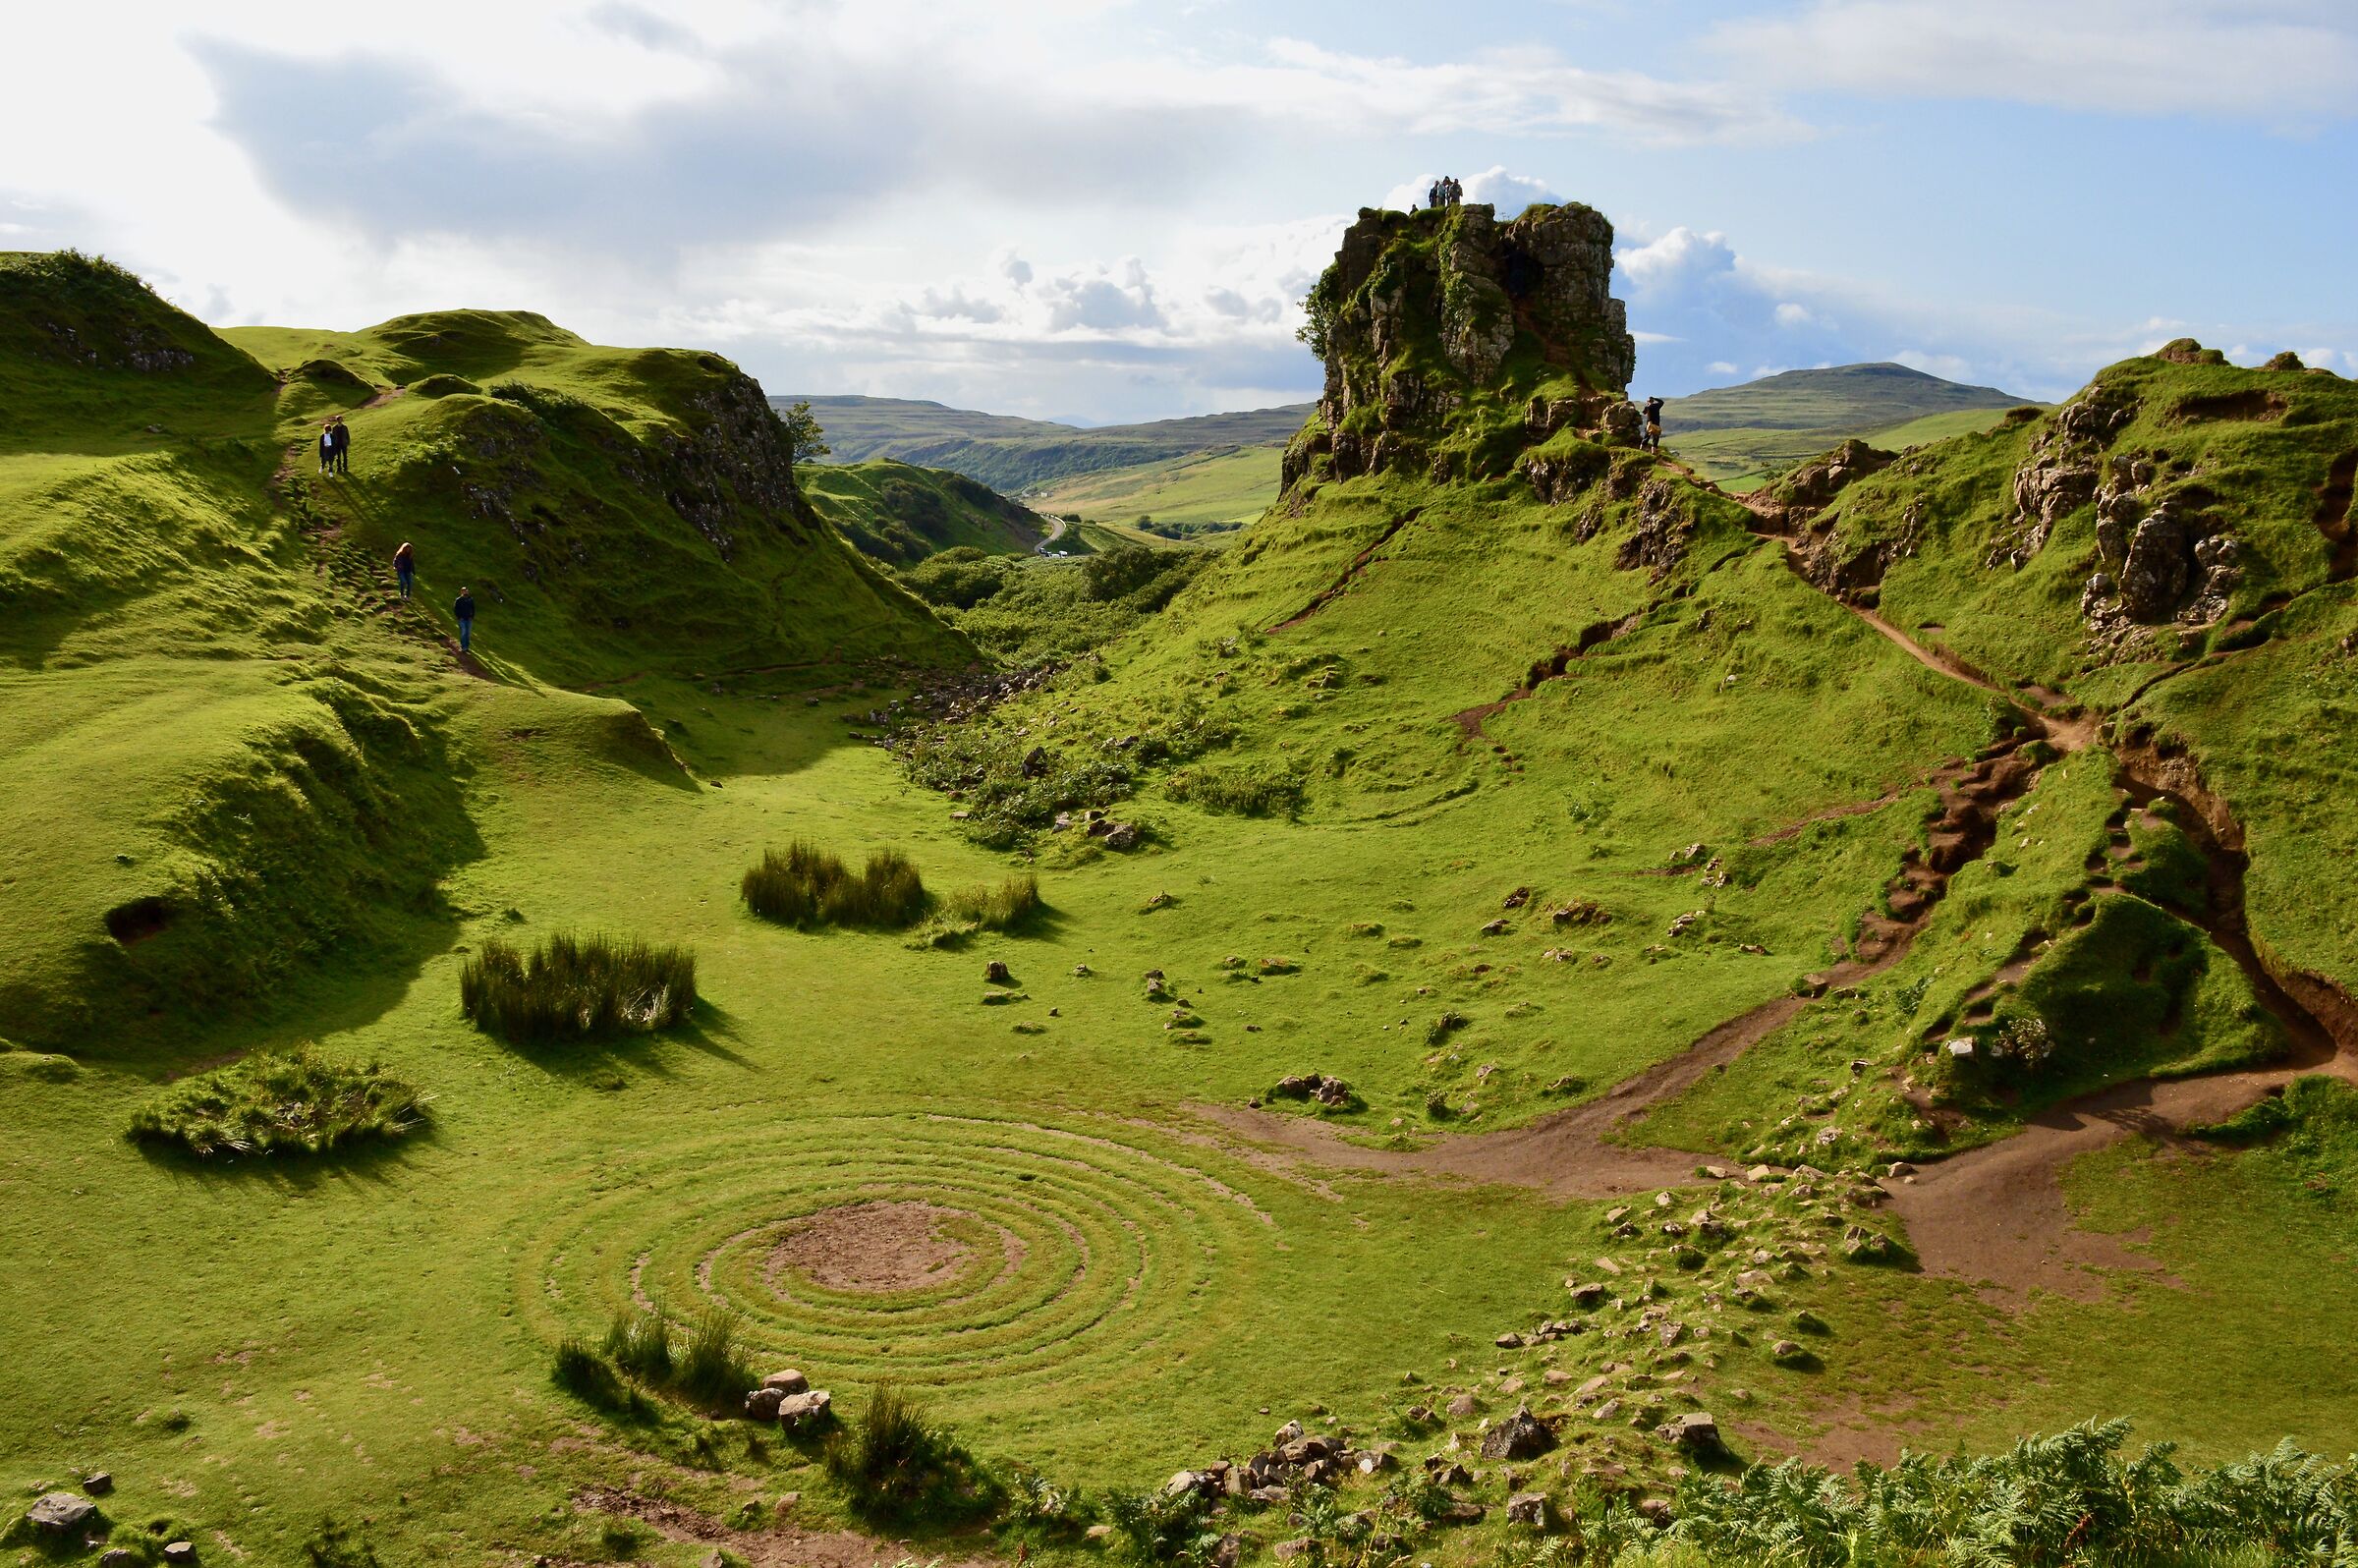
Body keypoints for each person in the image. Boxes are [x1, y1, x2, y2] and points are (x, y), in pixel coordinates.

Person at [454, 586, 476, 653]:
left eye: (466, 591)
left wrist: (472, 616)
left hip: (469, 619)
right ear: (461, 592)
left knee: (468, 633)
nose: (465, 592)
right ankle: (463, 647)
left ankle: (467, 647)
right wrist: (458, 616)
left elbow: (473, 608)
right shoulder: (458, 600)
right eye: (464, 591)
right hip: (462, 619)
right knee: (463, 632)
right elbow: (455, 609)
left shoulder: (470, 599)